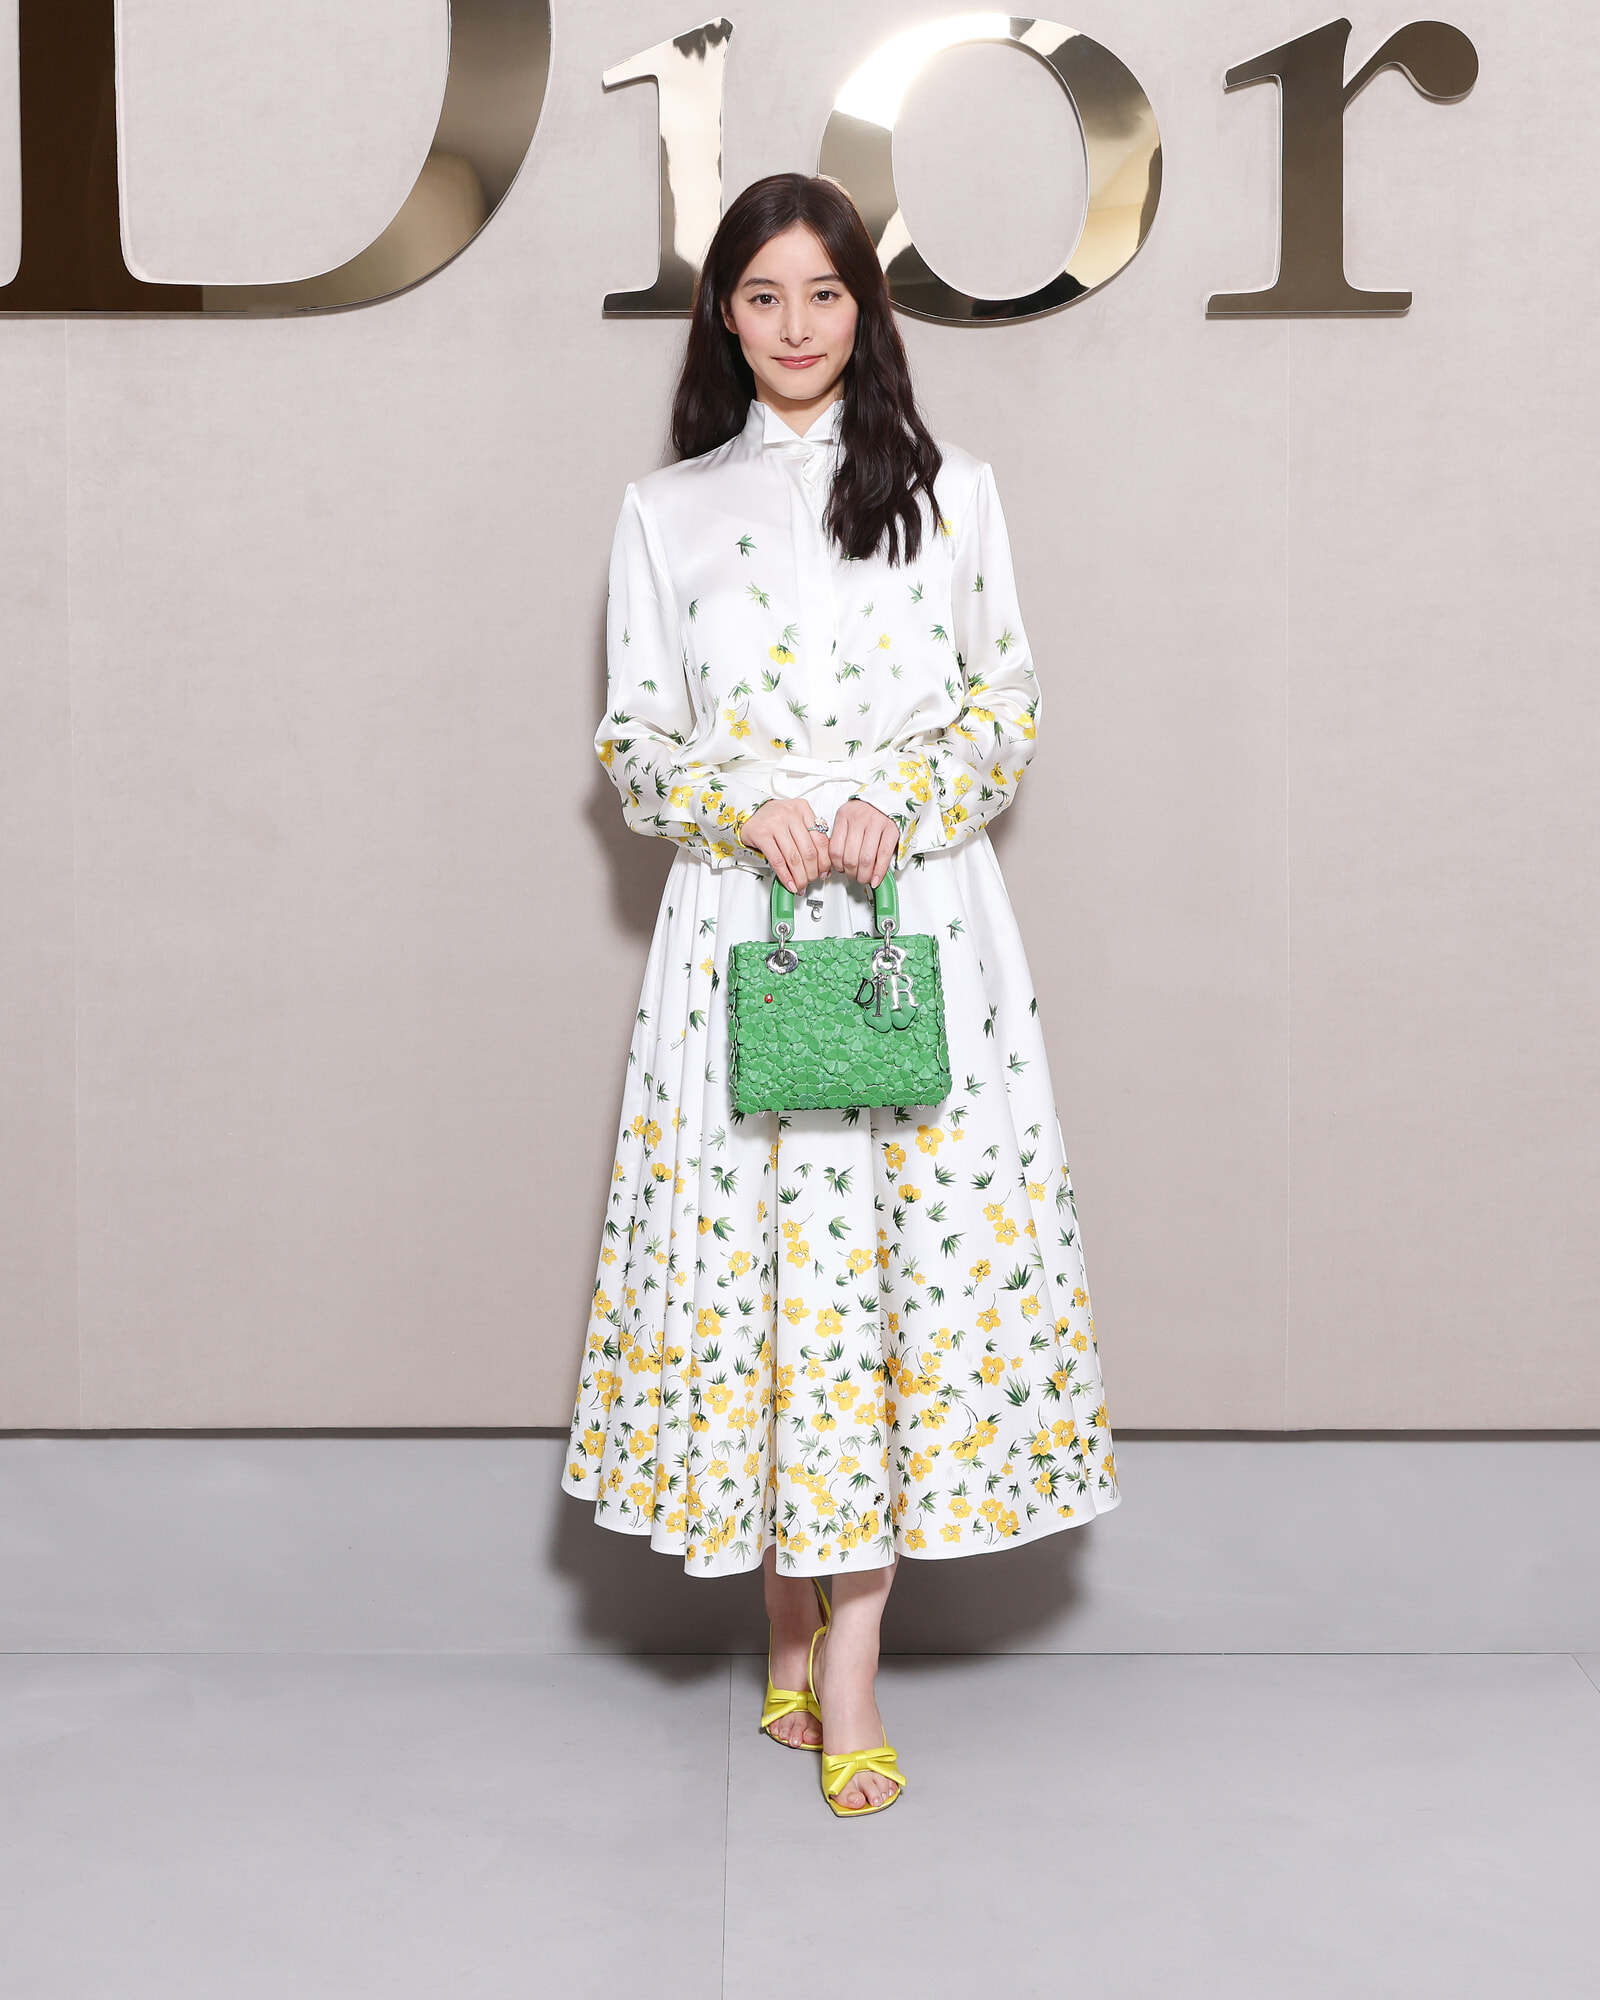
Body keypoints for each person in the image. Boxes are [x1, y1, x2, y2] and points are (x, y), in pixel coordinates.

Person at [563, 171, 1119, 1816]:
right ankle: (784, 1619)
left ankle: (851, 1657)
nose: (796, 325)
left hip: (911, 921)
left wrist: (902, 799)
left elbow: (1005, 710)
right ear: (724, 316)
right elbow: (634, 740)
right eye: (763, 296)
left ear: (864, 308)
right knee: (764, 1280)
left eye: (823, 293)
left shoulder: (953, 494)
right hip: (742, 930)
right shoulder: (666, 512)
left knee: (901, 1286)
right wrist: (744, 807)